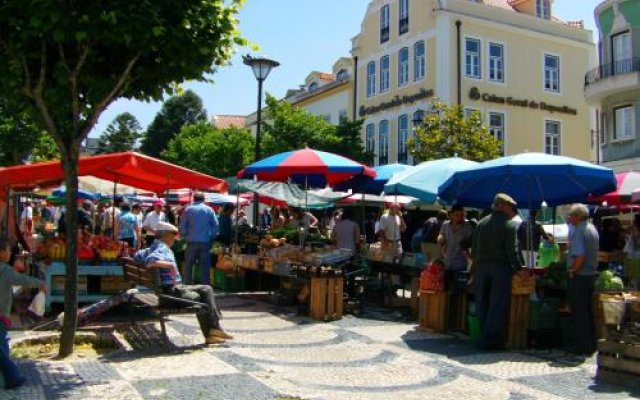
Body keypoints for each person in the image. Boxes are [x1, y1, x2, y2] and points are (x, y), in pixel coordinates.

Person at [133, 223, 231, 345]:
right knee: (203, 298)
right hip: (170, 295)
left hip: (165, 293)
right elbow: (150, 262)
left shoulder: (152, 247)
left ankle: (213, 331)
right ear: (166, 235)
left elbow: (136, 257)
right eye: (174, 234)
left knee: (207, 289)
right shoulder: (163, 248)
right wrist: (170, 265)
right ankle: (214, 330)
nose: (176, 237)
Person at [471, 193, 522, 350]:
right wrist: (519, 268)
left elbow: (474, 249)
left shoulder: (481, 223)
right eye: (509, 206)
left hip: (482, 267)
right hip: (500, 268)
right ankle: (492, 340)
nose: (511, 209)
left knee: (482, 303)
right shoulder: (509, 225)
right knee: (497, 304)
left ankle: (483, 337)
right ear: (502, 206)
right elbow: (512, 251)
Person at [0, 236, 45, 389]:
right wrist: (40, 284)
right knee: (1, 346)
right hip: (2, 315)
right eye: (7, 250)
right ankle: (13, 376)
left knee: (2, 344)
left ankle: (11, 376)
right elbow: (23, 280)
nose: (9, 253)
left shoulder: (6, 271)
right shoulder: (5, 271)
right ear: (2, 253)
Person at [565, 203, 599, 358]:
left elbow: (580, 256)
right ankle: (591, 344)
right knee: (587, 311)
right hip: (590, 275)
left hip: (580, 276)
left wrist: (573, 270)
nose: (569, 218)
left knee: (579, 312)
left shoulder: (580, 231)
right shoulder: (592, 228)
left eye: (571, 215)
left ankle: (581, 346)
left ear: (578, 216)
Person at [180, 192, 219, 285]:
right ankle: (205, 288)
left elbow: (182, 226)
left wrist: (186, 235)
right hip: (205, 242)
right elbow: (216, 225)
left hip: (191, 241)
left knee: (188, 265)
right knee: (205, 266)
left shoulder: (188, 209)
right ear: (203, 199)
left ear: (194, 199)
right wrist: (211, 236)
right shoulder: (209, 210)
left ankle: (187, 286)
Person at [438, 205, 474, 273]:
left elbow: (472, 243)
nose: (460, 217)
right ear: (451, 215)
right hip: (447, 263)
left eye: (461, 215)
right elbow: (441, 235)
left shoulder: (468, 226)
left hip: (461, 264)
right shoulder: (445, 225)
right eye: (457, 215)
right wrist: (440, 238)